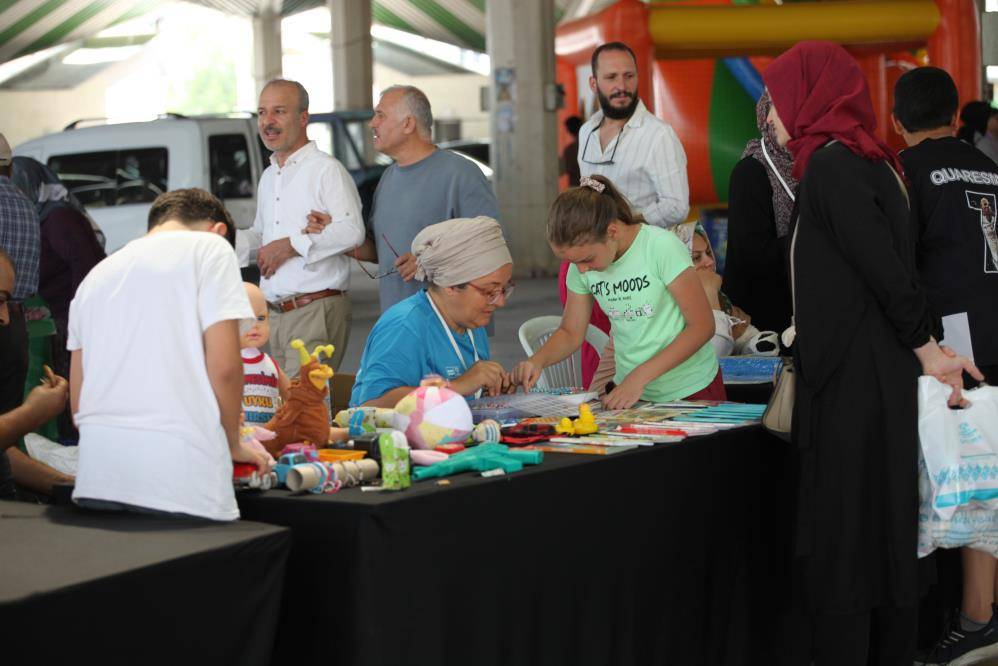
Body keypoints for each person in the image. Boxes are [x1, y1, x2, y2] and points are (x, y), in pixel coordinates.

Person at [763, 41, 981, 665]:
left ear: (811, 98)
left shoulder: (834, 166)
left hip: (856, 384)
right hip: (876, 377)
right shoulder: (875, 160)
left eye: (777, 101)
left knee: (849, 540)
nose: (773, 116)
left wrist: (926, 348)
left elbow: (886, 272)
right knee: (888, 535)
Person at [69, 189, 270, 520]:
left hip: (99, 478)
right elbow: (225, 367)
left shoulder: (95, 278)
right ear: (219, 232)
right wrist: (232, 444)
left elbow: (79, 403)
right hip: (181, 480)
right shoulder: (211, 249)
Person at [892, 65, 998, 665]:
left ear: (897, 122)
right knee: (991, 472)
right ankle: (981, 614)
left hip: (946, 352)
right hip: (993, 335)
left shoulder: (907, 173)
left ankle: (969, 619)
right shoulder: (989, 166)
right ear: (957, 118)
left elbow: (901, 271)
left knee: (958, 480)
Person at [512, 175, 721, 410]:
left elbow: (702, 327)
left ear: (612, 232)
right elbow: (571, 332)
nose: (581, 269)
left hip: (690, 388)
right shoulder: (580, 266)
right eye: (573, 262)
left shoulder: (660, 246)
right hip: (633, 392)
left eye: (587, 259)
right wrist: (537, 360)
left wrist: (639, 378)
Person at [242, 78, 365, 376]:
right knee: (290, 410)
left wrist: (289, 246)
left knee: (303, 411)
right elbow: (261, 234)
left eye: (279, 112)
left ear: (303, 117)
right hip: (277, 315)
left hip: (314, 310)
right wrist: (212, 242)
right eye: (262, 112)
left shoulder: (326, 170)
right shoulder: (271, 175)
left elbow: (352, 231)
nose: (267, 122)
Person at [350, 85, 499, 312]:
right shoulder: (388, 178)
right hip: (397, 325)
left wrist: (431, 260)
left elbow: (492, 246)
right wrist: (334, 234)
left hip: (451, 329)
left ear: (408, 124)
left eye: (381, 115)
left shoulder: (460, 174)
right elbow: (378, 253)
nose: (372, 123)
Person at [350, 217, 513, 408]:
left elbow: (465, 393)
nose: (500, 301)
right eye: (490, 291)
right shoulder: (405, 326)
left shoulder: (472, 323)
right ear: (451, 285)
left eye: (504, 289)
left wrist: (487, 390)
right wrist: (458, 386)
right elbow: (372, 405)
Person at [10, 155, 106, 438]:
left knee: (69, 391)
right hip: (56, 319)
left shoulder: (59, 219)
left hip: (72, 321)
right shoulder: (36, 219)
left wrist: (78, 324)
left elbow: (87, 272)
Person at [577, 42, 690, 228]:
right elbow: (589, 187)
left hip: (643, 251)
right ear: (594, 84)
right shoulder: (586, 131)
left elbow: (676, 207)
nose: (621, 86)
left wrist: (626, 225)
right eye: (611, 77)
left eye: (629, 76)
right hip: (597, 248)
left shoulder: (659, 134)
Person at [721, 90, 796, 334]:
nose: (773, 119)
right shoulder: (751, 172)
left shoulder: (817, 164)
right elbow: (751, 256)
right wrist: (814, 239)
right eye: (773, 110)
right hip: (763, 320)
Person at [690, 225, 778, 357]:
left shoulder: (722, 299)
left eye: (708, 253)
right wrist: (710, 294)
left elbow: (740, 333)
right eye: (696, 258)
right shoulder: (665, 312)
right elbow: (713, 355)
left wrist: (751, 344)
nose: (709, 262)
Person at [240, 282, 290, 425]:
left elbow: (292, 396)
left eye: (261, 318)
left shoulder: (270, 364)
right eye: (245, 318)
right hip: (239, 440)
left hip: (269, 438)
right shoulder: (225, 362)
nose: (255, 324)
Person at [562, 115, 582, 187]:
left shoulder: (569, 150)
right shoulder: (593, 144)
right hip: (593, 188)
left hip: (576, 187)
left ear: (569, 130)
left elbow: (566, 169)